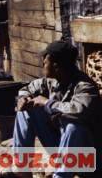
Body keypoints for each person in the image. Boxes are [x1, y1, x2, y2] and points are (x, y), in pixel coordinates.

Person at [14, 41, 101, 178]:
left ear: (56, 66)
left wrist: (47, 103)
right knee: (26, 110)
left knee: (74, 126)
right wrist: (23, 98)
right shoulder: (52, 81)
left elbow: (78, 110)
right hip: (63, 150)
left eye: (45, 60)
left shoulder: (84, 86)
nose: (43, 63)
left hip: (89, 158)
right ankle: (22, 171)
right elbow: (27, 89)